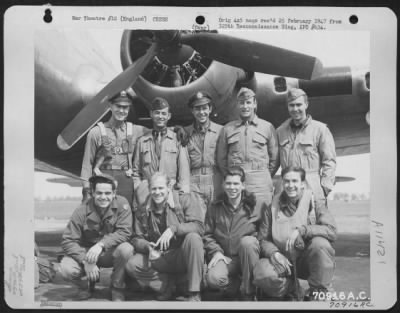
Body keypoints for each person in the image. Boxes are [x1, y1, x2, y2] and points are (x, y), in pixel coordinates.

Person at [254, 166, 337, 300]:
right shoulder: (272, 207)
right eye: (286, 181)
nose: (290, 185)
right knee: (263, 273)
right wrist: (274, 253)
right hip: (283, 261)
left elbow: (331, 230)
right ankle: (290, 288)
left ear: (302, 184)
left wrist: (303, 230)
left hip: (306, 260)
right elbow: (263, 239)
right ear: (282, 182)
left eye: (294, 181)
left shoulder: (314, 203)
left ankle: (318, 292)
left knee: (320, 245)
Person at [126, 172, 205, 301]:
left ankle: (194, 292)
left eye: (161, 188)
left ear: (168, 187)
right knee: (132, 264)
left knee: (194, 239)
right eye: (154, 188)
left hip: (182, 255)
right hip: (159, 257)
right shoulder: (143, 209)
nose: (157, 192)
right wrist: (146, 246)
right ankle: (167, 285)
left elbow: (199, 226)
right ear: (149, 189)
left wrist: (174, 229)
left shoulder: (184, 200)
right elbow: (135, 238)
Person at [59, 174, 133, 301]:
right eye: (99, 193)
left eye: (107, 193)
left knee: (126, 249)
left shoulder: (122, 204)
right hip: (86, 253)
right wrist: (85, 260)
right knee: (66, 268)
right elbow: (68, 240)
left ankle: (117, 288)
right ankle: (85, 286)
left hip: (107, 252)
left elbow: (125, 232)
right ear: (92, 193)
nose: (103, 197)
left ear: (114, 193)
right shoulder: (81, 210)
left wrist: (101, 245)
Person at [203, 166, 265, 301]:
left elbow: (264, 234)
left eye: (236, 183)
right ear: (223, 185)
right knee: (213, 279)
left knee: (247, 243)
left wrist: (258, 249)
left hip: (248, 257)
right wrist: (216, 252)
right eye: (228, 183)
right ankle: (236, 285)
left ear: (243, 185)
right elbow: (207, 234)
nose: (232, 187)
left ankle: (250, 293)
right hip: (226, 258)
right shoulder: (215, 206)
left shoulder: (257, 205)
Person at [81, 90, 147, 205]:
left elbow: (157, 130)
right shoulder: (95, 133)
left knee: (125, 215)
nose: (121, 110)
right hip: (102, 179)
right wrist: (86, 190)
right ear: (110, 105)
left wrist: (177, 128)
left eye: (125, 107)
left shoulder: (136, 130)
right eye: (118, 106)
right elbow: (87, 164)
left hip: (125, 180)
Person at [216, 87, 279, 205]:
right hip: (236, 183)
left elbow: (275, 158)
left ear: (255, 104)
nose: (245, 106)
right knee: (239, 220)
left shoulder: (267, 127)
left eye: (248, 102)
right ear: (237, 105)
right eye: (241, 103)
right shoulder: (227, 129)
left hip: (261, 181)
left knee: (262, 217)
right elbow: (221, 159)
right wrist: (232, 177)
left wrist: (263, 174)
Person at [276, 88, 336, 208]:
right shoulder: (280, 131)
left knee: (314, 225)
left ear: (306, 104)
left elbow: (329, 161)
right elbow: (273, 162)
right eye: (291, 105)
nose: (295, 109)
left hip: (312, 188)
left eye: (299, 104)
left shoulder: (320, 129)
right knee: (287, 226)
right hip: (287, 190)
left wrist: (324, 188)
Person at [132, 97, 190, 208]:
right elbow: (136, 171)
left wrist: (182, 193)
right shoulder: (142, 141)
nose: (160, 116)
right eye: (157, 113)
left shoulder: (177, 139)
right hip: (147, 193)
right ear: (151, 114)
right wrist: (139, 188)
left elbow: (184, 171)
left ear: (169, 116)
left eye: (164, 113)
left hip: (170, 192)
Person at [184, 91, 223, 209]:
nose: (201, 112)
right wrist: (177, 129)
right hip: (193, 183)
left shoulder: (221, 131)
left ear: (210, 109)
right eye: (197, 109)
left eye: (204, 108)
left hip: (215, 181)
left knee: (216, 220)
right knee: (197, 220)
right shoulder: (185, 132)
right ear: (192, 111)